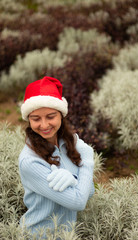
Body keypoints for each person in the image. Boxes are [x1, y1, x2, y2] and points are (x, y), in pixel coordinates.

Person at [19, 76, 95, 238]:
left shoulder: (69, 143)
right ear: (29, 120)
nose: (44, 125)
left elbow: (89, 191)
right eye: (36, 119)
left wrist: (73, 180)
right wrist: (87, 160)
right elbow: (78, 202)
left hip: (67, 234)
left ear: (61, 115)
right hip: (39, 235)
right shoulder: (30, 161)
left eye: (51, 116)